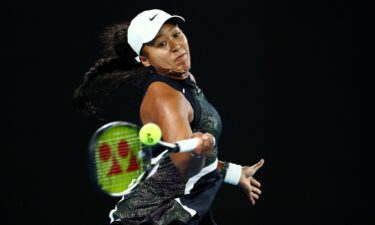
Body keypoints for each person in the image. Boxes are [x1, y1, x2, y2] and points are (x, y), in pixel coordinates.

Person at [73, 9, 265, 225]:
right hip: (154, 217)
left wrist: (232, 172)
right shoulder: (165, 99)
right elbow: (186, 168)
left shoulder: (184, 78)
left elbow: (173, 164)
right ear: (145, 60)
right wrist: (198, 150)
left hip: (181, 210)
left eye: (176, 34)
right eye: (161, 44)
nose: (176, 46)